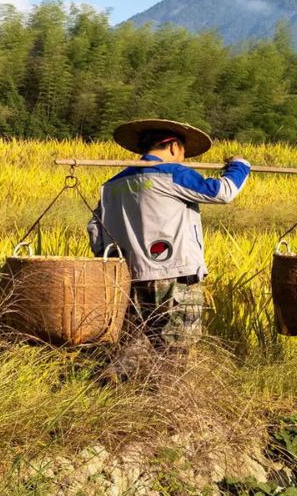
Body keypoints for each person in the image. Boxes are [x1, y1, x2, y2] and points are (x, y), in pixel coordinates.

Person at [88, 119, 250, 383]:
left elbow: (94, 227)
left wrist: (114, 257)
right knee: (176, 346)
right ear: (172, 145)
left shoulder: (112, 185)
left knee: (136, 337)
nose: (183, 157)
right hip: (175, 274)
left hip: (128, 277)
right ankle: (167, 403)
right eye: (183, 151)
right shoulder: (172, 173)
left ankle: (111, 383)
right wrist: (240, 166)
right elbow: (223, 191)